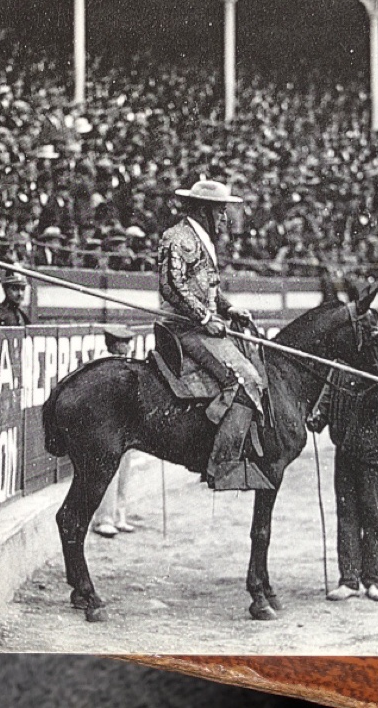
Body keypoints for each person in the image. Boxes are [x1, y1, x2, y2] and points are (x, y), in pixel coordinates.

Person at [158, 179, 270, 491]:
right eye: (220, 211)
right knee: (245, 379)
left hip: (198, 324)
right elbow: (172, 285)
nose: (224, 218)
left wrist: (228, 308)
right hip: (183, 328)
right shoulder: (178, 237)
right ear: (205, 210)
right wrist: (206, 317)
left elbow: (208, 288)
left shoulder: (199, 238)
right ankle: (222, 465)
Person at [308, 315, 378, 602]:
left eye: (374, 335)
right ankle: (349, 580)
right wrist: (318, 417)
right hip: (347, 447)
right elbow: (328, 394)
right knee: (346, 513)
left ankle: (373, 580)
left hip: (376, 452)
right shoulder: (344, 364)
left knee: (372, 516)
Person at [93, 325, 138, 537]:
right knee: (109, 474)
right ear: (114, 345)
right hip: (108, 429)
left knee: (124, 474)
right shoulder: (103, 366)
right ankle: (104, 518)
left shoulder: (127, 365)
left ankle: (120, 516)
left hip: (126, 427)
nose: (128, 347)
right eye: (124, 343)